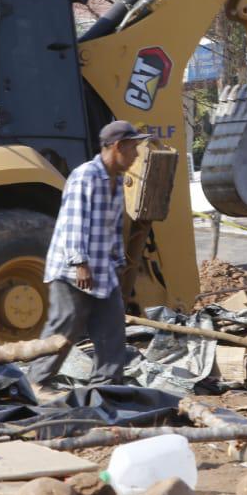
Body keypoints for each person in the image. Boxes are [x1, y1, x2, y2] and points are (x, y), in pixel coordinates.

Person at [28, 120, 153, 396]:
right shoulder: (85, 176)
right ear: (117, 147)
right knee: (66, 325)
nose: (135, 155)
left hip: (102, 270)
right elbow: (74, 221)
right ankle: (36, 382)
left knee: (112, 327)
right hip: (72, 270)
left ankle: (106, 387)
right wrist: (79, 263)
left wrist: (119, 263)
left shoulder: (117, 180)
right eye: (133, 149)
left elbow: (113, 227)